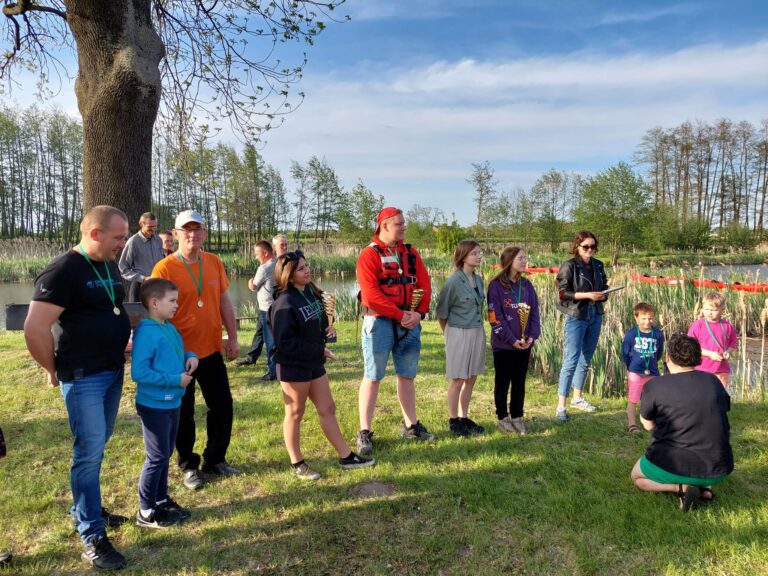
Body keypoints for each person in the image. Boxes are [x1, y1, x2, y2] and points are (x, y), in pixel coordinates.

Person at [24, 205, 131, 570]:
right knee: (88, 453)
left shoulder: (107, 263)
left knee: (98, 444)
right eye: (118, 237)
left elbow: (109, 311)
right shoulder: (62, 270)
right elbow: (35, 328)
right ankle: (92, 536)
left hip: (111, 370)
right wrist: (51, 369)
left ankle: (87, 506)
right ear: (95, 234)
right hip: (83, 375)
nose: (123, 243)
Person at [151, 209, 241, 491]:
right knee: (184, 412)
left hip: (211, 349)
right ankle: (188, 465)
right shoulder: (164, 268)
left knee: (222, 405)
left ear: (204, 233)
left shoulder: (213, 262)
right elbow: (154, 312)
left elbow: (224, 301)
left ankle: (215, 459)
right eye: (186, 230)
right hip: (178, 354)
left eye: (197, 229)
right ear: (176, 234)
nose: (192, 234)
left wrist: (233, 338)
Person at [270, 250, 375, 479]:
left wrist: (327, 330)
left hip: (314, 361)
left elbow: (317, 323)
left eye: (307, 266)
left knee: (327, 408)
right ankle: (297, 463)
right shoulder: (283, 303)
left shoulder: (310, 291)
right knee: (295, 413)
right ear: (287, 274)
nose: (307, 270)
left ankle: (346, 456)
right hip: (293, 365)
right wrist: (319, 349)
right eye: (301, 268)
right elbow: (285, 343)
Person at [356, 207, 434, 455]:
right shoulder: (369, 255)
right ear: (385, 226)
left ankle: (411, 425)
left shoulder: (410, 253)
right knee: (373, 375)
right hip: (379, 323)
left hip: (410, 322)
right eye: (399, 224)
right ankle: (364, 431)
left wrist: (419, 314)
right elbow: (371, 296)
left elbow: (425, 284)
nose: (404, 227)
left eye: (403, 223)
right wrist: (401, 315)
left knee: (407, 375)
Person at [631, 334, 733, 512]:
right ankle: (705, 487)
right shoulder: (713, 381)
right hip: (719, 467)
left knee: (637, 478)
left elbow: (648, 425)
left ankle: (680, 488)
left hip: (674, 463)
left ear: (668, 357)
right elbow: (722, 412)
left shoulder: (655, 385)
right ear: (697, 357)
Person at [132, 278, 199, 528]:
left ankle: (160, 499)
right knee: (157, 456)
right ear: (154, 303)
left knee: (165, 453)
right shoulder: (147, 332)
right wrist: (174, 379)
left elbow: (176, 351)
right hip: (154, 405)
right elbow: (139, 372)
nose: (177, 305)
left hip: (172, 402)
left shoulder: (168, 327)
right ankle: (146, 511)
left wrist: (190, 357)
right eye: (172, 301)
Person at [554, 230, 609, 422]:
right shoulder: (570, 266)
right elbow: (563, 294)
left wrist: (603, 294)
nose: (590, 250)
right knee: (571, 359)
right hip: (577, 315)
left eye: (593, 246)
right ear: (577, 247)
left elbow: (604, 288)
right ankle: (561, 405)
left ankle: (577, 398)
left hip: (596, 313)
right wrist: (587, 295)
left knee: (586, 358)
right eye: (586, 246)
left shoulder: (598, 265)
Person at [487, 246, 541, 435]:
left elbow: (534, 312)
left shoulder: (527, 285)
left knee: (519, 382)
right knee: (502, 382)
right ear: (509, 261)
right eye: (520, 258)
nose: (524, 261)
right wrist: (511, 340)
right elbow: (495, 318)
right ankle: (502, 417)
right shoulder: (496, 286)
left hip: (524, 345)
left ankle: (517, 416)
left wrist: (532, 337)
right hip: (504, 346)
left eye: (525, 258)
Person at [436, 240, 486, 437]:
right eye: (475, 253)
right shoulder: (453, 282)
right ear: (463, 256)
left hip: (477, 331)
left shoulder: (479, 279)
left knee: (471, 378)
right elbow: (442, 313)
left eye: (480, 253)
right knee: (458, 379)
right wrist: (449, 334)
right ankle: (453, 420)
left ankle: (464, 417)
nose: (479, 256)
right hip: (458, 332)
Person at [235, 241, 277, 381]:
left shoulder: (264, 268)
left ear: (265, 253)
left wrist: (250, 281)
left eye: (257, 253)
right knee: (259, 333)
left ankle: (273, 372)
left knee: (270, 340)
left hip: (267, 308)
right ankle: (251, 357)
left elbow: (253, 286)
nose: (256, 256)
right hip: (271, 307)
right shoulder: (277, 263)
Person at [622, 302, 665, 433]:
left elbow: (659, 352)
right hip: (636, 371)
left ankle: (653, 423)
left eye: (651, 318)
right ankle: (632, 424)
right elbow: (625, 353)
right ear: (636, 318)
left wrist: (652, 362)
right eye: (644, 318)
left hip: (652, 371)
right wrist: (631, 367)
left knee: (655, 398)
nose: (647, 321)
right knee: (633, 398)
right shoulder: (631, 334)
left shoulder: (658, 334)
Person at [688, 291, 738, 389]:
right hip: (702, 367)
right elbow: (691, 345)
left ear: (722, 309)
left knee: (720, 394)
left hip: (722, 368)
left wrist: (728, 351)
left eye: (713, 310)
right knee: (703, 393)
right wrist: (710, 354)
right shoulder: (698, 325)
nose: (709, 312)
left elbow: (733, 342)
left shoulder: (727, 326)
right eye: (706, 309)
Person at [119, 212, 164, 302]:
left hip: (157, 286)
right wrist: (143, 279)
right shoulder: (133, 242)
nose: (153, 230)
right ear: (141, 224)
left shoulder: (158, 240)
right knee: (139, 315)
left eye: (155, 226)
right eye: (150, 227)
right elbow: (123, 268)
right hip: (139, 287)